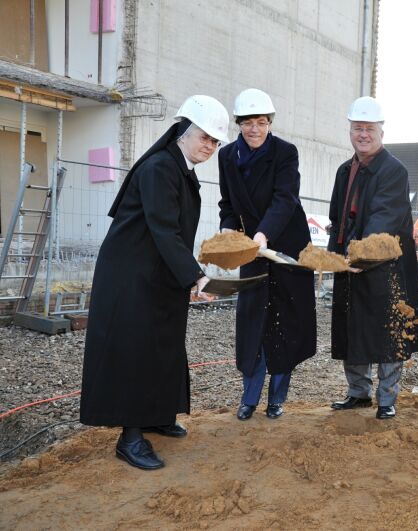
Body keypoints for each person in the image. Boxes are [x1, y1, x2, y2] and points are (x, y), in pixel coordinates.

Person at [80, 95, 229, 470]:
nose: (209, 146)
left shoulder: (180, 168)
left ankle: (158, 414)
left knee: (164, 344)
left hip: (157, 272)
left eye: (215, 141)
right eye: (204, 137)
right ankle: (130, 437)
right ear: (183, 131)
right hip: (132, 276)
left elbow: (171, 233)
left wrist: (186, 272)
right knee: (137, 350)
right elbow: (164, 229)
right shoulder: (161, 168)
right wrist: (195, 275)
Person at [327, 96, 418, 420]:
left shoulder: (393, 170)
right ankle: (358, 393)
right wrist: (334, 253)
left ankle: (387, 399)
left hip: (387, 267)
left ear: (381, 131)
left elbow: (383, 218)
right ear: (350, 131)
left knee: (388, 332)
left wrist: (360, 252)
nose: (363, 134)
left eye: (369, 128)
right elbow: (336, 215)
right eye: (358, 128)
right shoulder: (346, 171)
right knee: (351, 329)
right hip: (350, 263)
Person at [218, 88, 317, 421]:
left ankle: (276, 399)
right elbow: (228, 203)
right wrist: (230, 231)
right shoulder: (227, 156)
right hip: (253, 251)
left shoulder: (285, 153)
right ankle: (249, 398)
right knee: (253, 322)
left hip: (286, 248)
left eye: (261, 122)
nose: (254, 129)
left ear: (270, 123)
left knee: (285, 323)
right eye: (247, 122)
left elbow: (285, 198)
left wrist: (263, 234)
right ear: (239, 124)